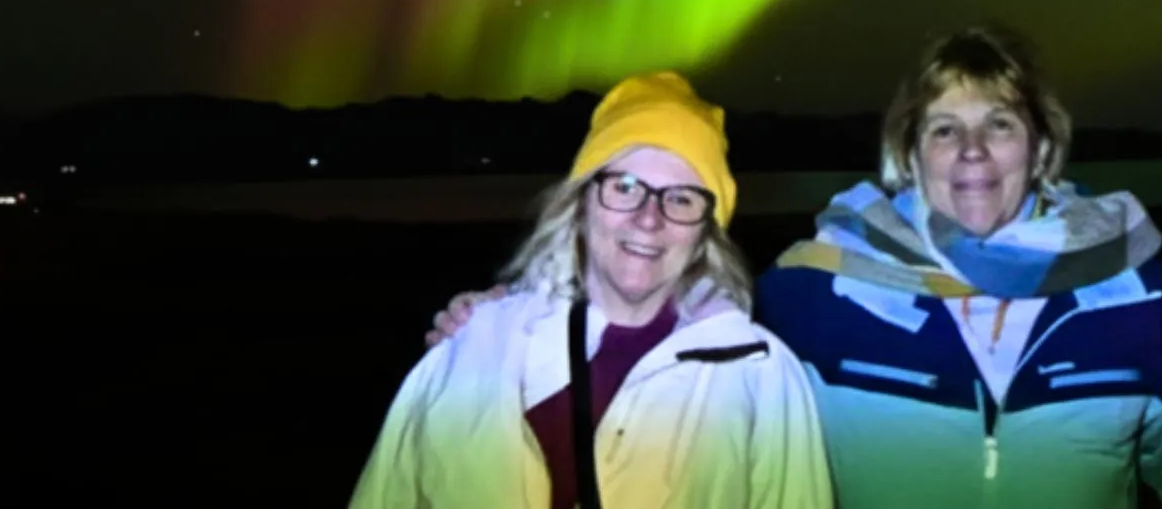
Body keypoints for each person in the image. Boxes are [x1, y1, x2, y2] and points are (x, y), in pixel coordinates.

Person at [351, 70, 830, 509]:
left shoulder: (761, 377)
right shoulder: (473, 348)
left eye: (681, 198)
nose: (648, 217)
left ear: (705, 231)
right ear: (580, 204)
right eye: (624, 186)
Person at [756, 25, 1162, 507]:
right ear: (910, 156)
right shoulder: (815, 289)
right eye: (945, 129)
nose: (972, 149)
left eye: (1000, 124)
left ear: (1039, 150)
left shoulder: (1133, 290)